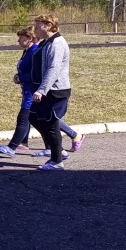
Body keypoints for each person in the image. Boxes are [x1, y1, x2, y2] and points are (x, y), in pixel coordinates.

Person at [29, 14, 74, 171]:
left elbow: (53, 69)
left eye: (38, 25)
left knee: (51, 124)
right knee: (33, 116)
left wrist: (42, 89)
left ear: (48, 26)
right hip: (47, 89)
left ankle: (56, 160)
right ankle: (57, 150)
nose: (35, 28)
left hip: (55, 91)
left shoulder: (57, 43)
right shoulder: (46, 42)